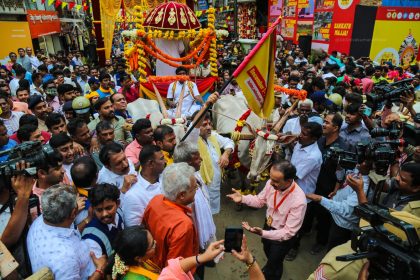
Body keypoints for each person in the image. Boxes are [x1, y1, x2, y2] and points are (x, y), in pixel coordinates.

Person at [227, 160, 307, 280]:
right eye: (271, 178)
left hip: (282, 237)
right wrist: (243, 198)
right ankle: (272, 266)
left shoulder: (299, 201)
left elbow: (288, 232)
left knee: (274, 264)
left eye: (276, 181)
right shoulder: (271, 183)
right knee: (268, 251)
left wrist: (263, 233)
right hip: (268, 225)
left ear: (289, 181)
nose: (270, 183)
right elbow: (260, 201)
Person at [110, 226, 265, 280]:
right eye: (152, 245)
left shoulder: (130, 259)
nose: (157, 244)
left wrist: (202, 257)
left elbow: (173, 269)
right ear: (139, 257)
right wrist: (249, 260)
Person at [26, 184, 106, 279]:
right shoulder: (65, 259)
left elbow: (71, 232)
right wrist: (99, 270)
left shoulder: (40, 220)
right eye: (76, 202)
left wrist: (87, 219)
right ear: (73, 213)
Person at [142, 163, 199, 270]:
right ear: (182, 195)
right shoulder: (183, 225)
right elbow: (177, 267)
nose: (196, 190)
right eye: (195, 188)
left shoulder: (156, 200)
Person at [307, 113, 348, 255]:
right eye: (324, 121)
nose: (323, 124)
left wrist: (336, 189)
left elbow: (342, 171)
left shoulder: (343, 147)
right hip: (313, 184)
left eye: (327, 122)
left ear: (336, 127)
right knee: (308, 212)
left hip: (328, 189)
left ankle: (320, 241)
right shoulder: (319, 141)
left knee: (323, 217)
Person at [287, 122, 323, 260]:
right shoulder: (300, 144)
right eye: (301, 132)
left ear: (314, 139)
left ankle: (294, 248)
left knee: (297, 225)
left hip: (302, 196)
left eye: (304, 134)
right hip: (291, 190)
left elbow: (292, 175)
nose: (300, 135)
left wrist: (275, 160)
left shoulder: (313, 156)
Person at [188, 109, 234, 215]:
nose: (208, 127)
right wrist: (206, 105)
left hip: (215, 185)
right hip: (200, 187)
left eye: (209, 124)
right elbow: (192, 128)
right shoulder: (191, 139)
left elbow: (229, 142)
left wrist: (226, 154)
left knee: (211, 214)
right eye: (204, 125)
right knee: (200, 216)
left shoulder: (213, 136)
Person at [173, 141, 216, 250]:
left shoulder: (194, 175)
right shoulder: (181, 187)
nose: (201, 160)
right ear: (187, 164)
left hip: (205, 234)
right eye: (197, 159)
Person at [123, 145, 165, 226]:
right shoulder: (133, 195)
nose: (165, 161)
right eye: (161, 159)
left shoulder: (166, 177)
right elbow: (135, 231)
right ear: (151, 164)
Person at [82, 183, 124, 258]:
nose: (104, 214)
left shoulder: (120, 213)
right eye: (99, 210)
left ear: (118, 204)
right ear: (92, 209)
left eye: (109, 208)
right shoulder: (91, 239)